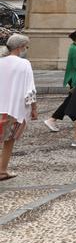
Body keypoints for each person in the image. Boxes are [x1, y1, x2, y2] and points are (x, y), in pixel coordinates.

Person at [0, 34, 37, 181]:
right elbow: (30, 90)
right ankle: (2, 170)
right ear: (20, 47)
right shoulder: (24, 64)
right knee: (9, 140)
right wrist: (34, 108)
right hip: (13, 108)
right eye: (26, 47)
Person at [46, 29, 76, 132]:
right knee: (70, 101)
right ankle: (52, 119)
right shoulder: (75, 49)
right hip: (74, 78)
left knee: (75, 100)